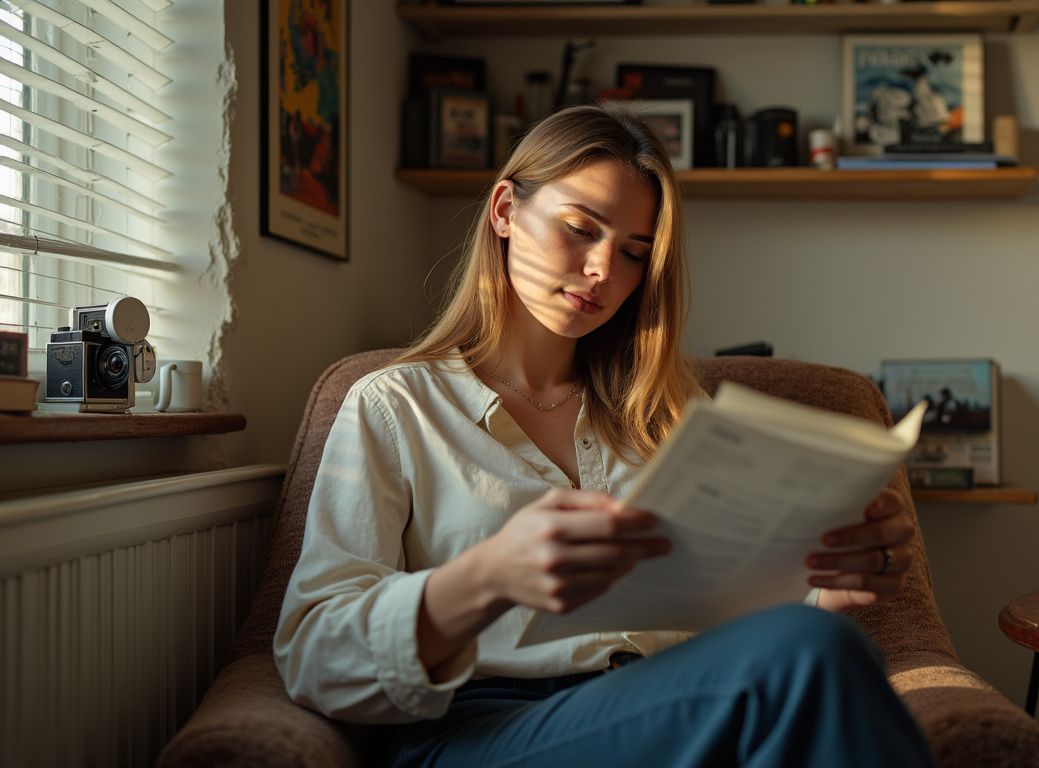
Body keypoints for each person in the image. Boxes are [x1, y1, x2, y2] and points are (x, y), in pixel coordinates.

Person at [274, 103, 936, 767]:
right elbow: (313, 658)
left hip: (665, 708)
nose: (602, 271)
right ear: (505, 211)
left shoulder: (669, 414)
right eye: (579, 229)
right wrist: (487, 577)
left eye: (632, 253)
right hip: (479, 731)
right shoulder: (395, 407)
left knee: (821, 646)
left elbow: (728, 622)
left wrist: (826, 592)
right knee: (812, 654)